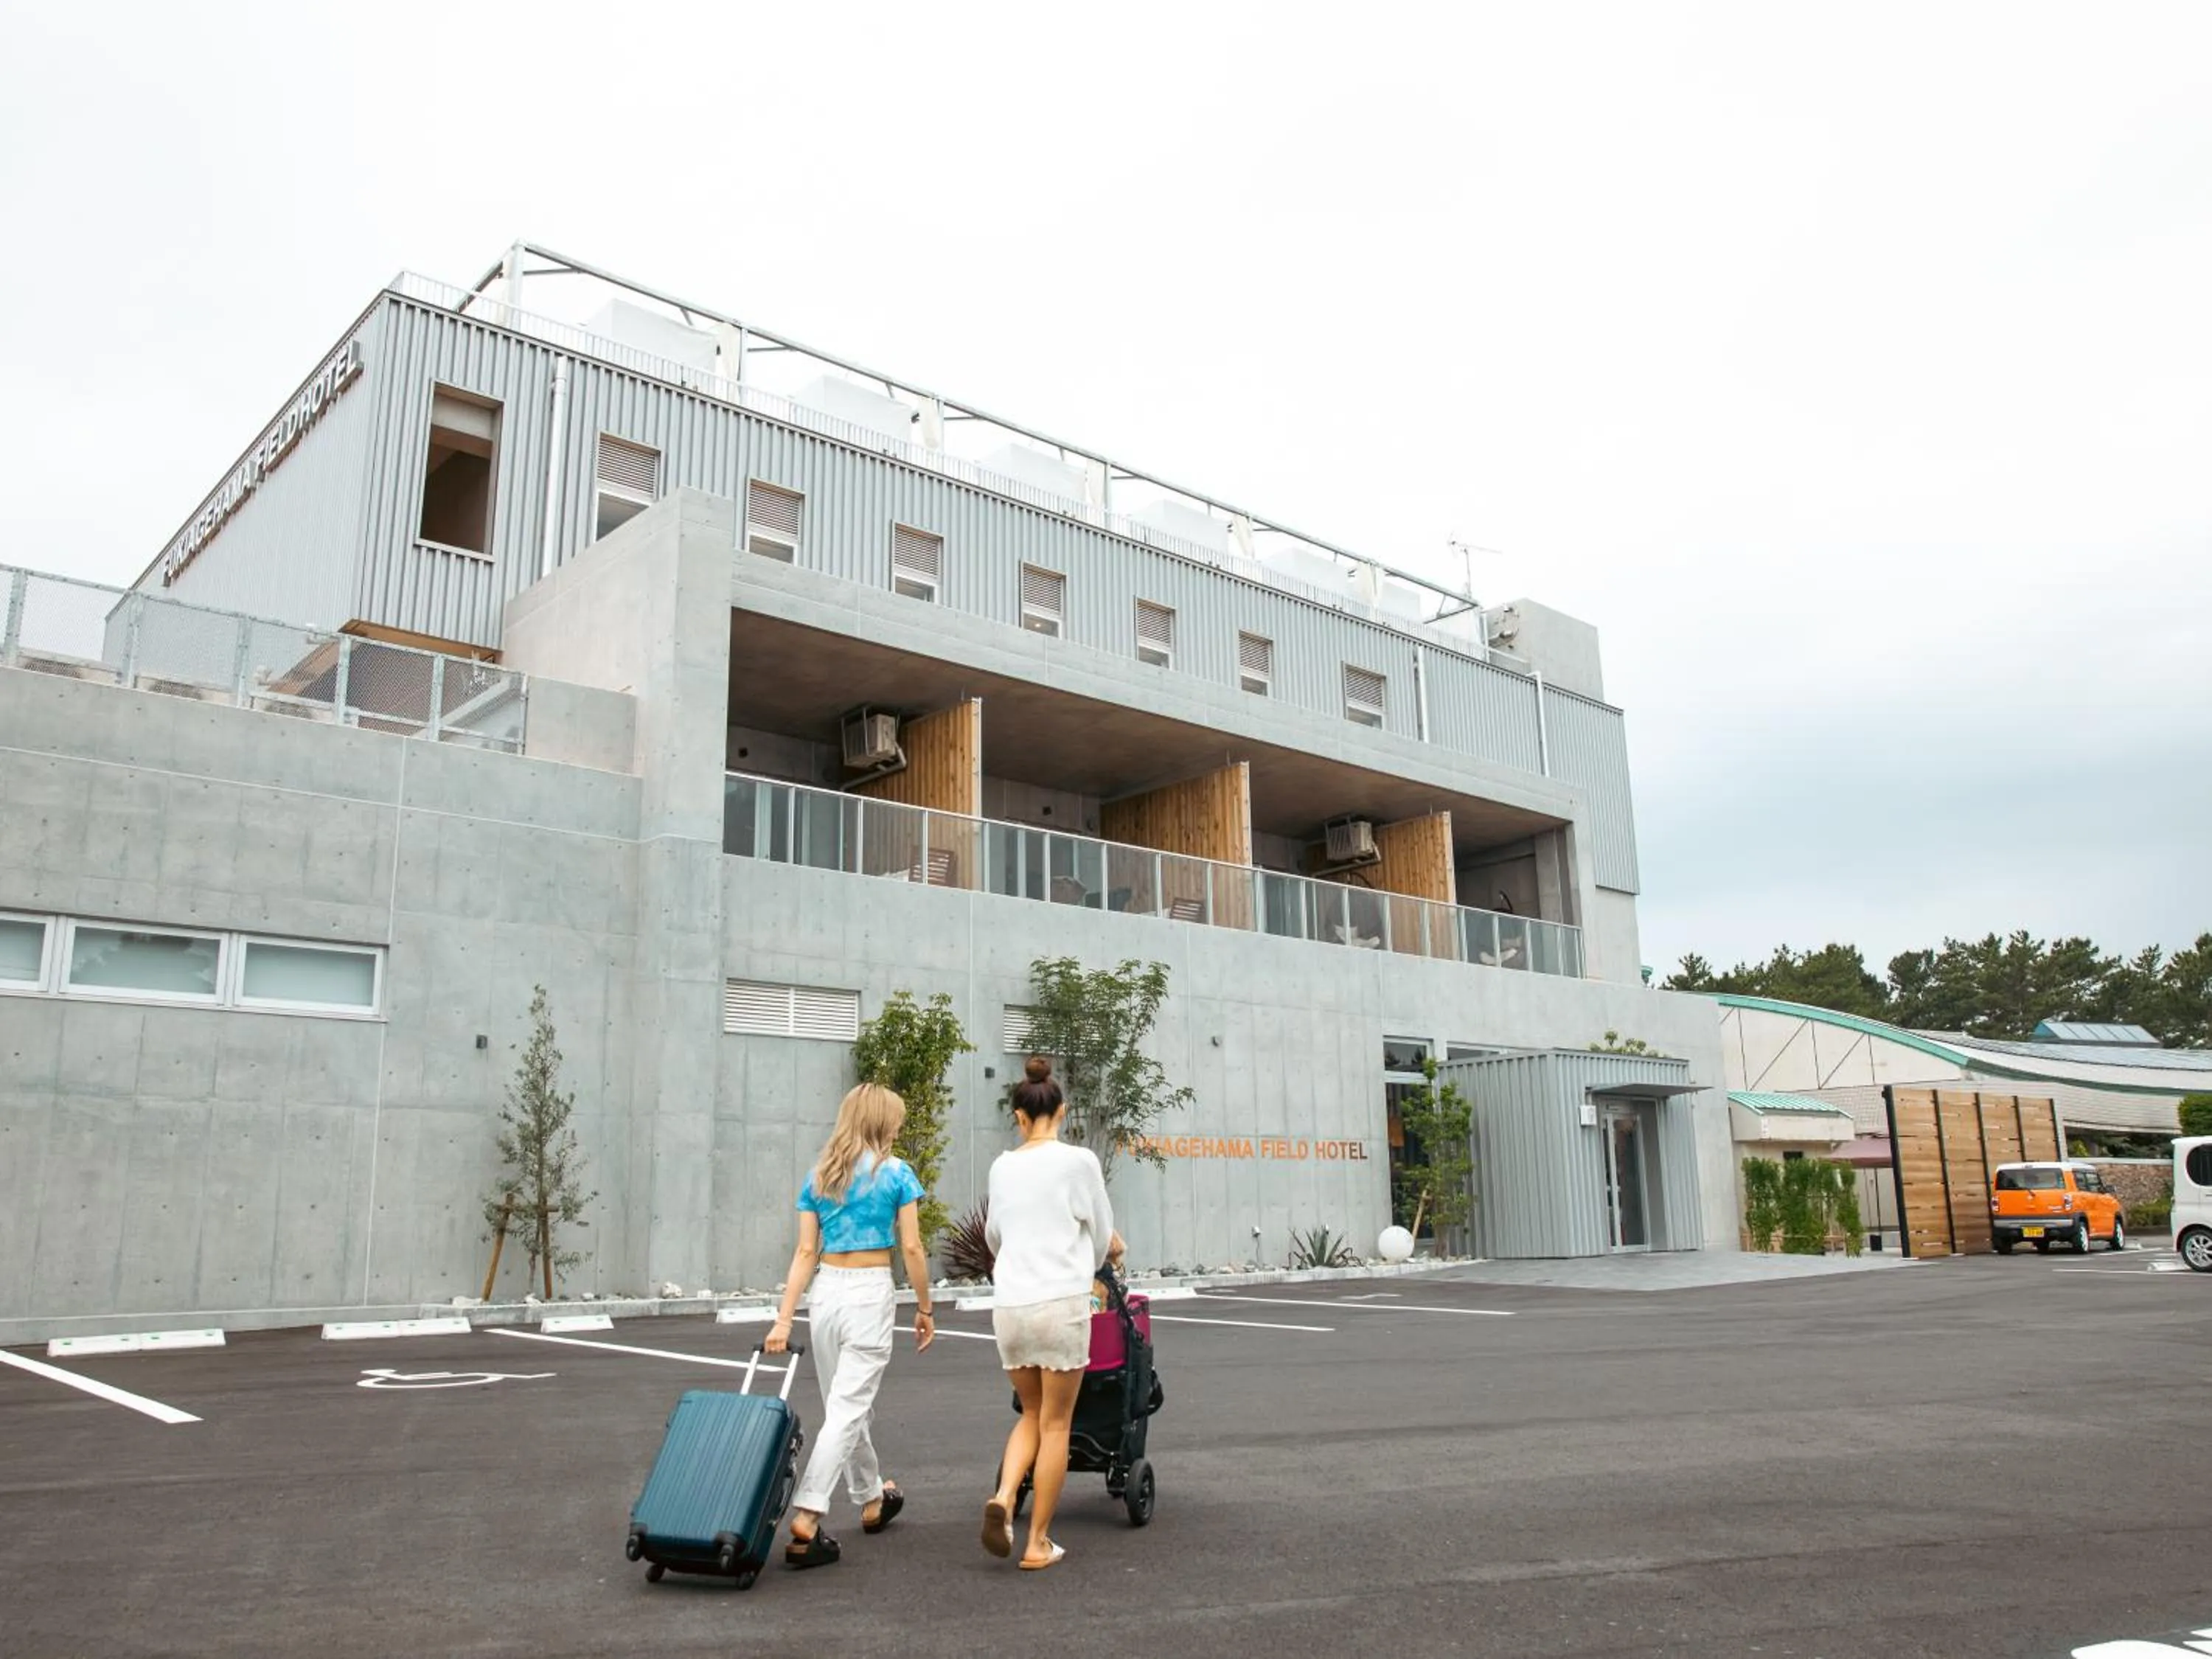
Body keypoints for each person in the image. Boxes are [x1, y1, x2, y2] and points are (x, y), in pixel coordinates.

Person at [765, 1082, 936, 1569]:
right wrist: (925, 1308)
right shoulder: (897, 1173)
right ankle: (808, 1513)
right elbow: (912, 1248)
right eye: (895, 1121)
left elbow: (805, 1252)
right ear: (881, 1122)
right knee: (846, 1409)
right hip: (868, 1293)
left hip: (826, 1293)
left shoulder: (819, 1175)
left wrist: (784, 1319)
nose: (899, 1128)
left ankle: (872, 1498)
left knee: (845, 1404)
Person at [981, 1055, 1124, 1571]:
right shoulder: (1079, 1162)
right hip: (1061, 1304)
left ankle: (1004, 1496)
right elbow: (1102, 1234)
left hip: (1011, 1307)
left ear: (1019, 1117)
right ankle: (1037, 1541)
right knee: (1057, 1423)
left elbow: (994, 1237)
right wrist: (1095, 1259)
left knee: (1031, 1413)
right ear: (1062, 1111)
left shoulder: (1002, 1167)